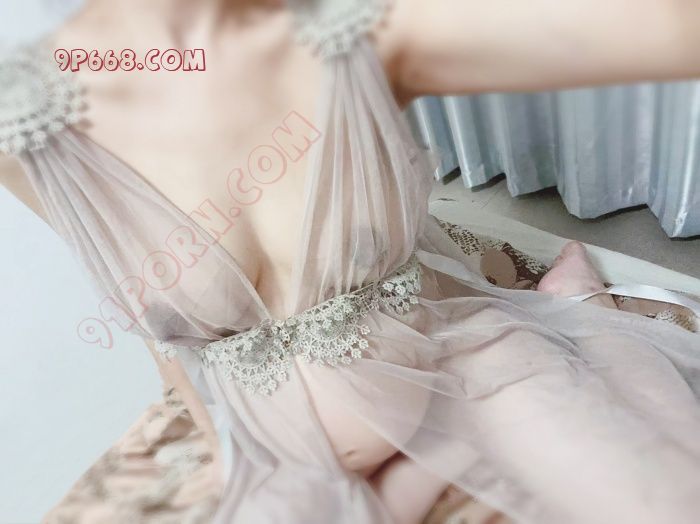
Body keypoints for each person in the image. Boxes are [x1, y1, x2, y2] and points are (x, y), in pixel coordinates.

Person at [1, 1, 700, 523]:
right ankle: (440, 458)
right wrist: (219, 452)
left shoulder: (362, 30)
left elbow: (665, 26)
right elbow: (156, 327)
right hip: (290, 453)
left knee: (664, 503)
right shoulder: (25, 129)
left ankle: (572, 306)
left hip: (459, 361)